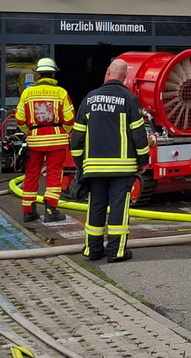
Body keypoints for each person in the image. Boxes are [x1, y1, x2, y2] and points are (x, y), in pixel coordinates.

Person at [70, 58, 153, 263]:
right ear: (125, 76)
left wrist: (80, 164)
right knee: (118, 207)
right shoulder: (129, 99)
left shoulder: (89, 99)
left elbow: (77, 136)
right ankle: (116, 252)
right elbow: (138, 135)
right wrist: (143, 160)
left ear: (108, 72)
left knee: (96, 205)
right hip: (122, 167)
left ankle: (93, 249)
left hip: (94, 167)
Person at [15, 57, 75, 223]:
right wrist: (64, 132)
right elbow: (70, 118)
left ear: (38, 74)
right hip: (57, 139)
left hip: (35, 140)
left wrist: (31, 131)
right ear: (53, 73)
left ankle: (28, 211)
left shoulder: (27, 93)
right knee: (54, 174)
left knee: (32, 174)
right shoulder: (61, 92)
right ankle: (50, 210)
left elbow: (19, 119)